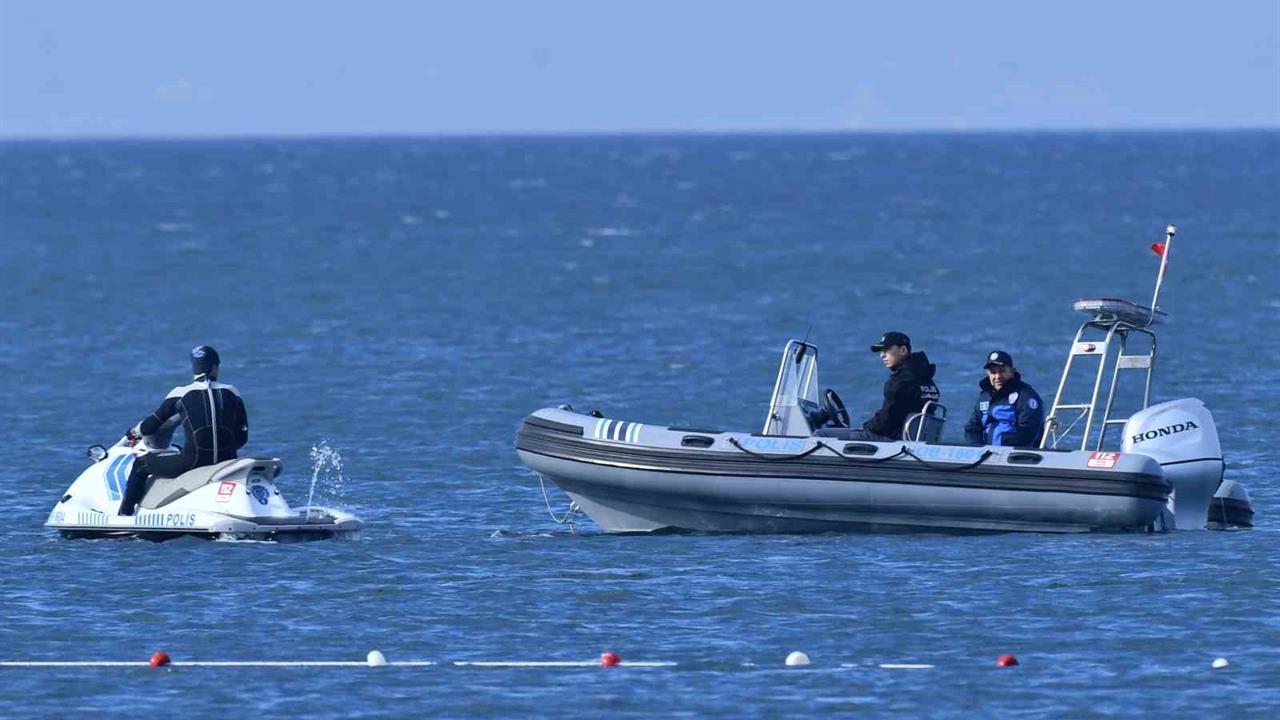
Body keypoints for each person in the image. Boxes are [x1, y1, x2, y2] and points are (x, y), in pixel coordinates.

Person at [117, 346, 249, 516]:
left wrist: (133, 432)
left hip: (191, 462)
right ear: (216, 367)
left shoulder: (180, 393)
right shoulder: (232, 392)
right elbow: (242, 437)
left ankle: (124, 516)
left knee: (140, 464)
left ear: (194, 368)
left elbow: (149, 427)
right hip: (227, 461)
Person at [817, 331, 941, 441]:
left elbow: (885, 421)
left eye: (886, 350)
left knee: (821, 434)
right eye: (881, 351)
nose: (882, 355)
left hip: (891, 440)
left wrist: (864, 428)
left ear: (903, 350)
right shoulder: (928, 381)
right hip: (908, 438)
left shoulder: (899, 382)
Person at [963, 350, 1045, 448]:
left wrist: (1003, 449)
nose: (997, 377)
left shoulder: (1026, 396)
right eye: (993, 372)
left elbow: (1028, 431)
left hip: (1016, 456)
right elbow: (973, 427)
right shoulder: (984, 397)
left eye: (1002, 371)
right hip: (985, 456)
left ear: (1012, 372)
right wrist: (976, 449)